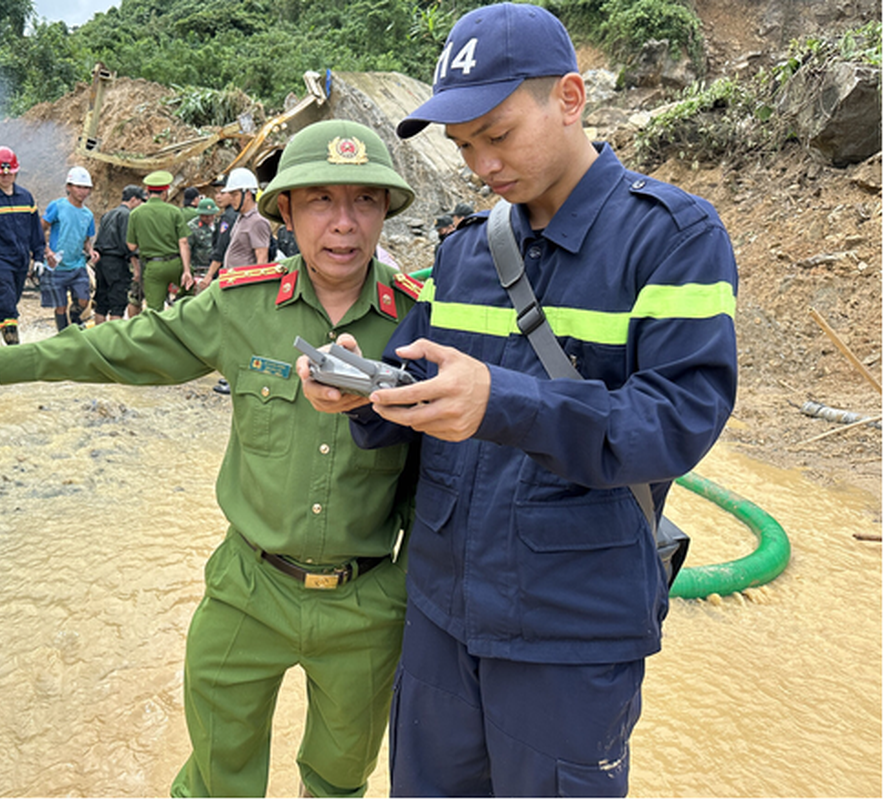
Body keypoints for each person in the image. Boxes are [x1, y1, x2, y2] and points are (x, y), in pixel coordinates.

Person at [299, 5, 739, 797]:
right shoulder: (467, 249)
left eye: (496, 135)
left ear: (569, 97)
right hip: (440, 614)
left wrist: (503, 402)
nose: (480, 164)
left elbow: (679, 420)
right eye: (464, 146)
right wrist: (363, 395)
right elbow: (421, 387)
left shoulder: (673, 238)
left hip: (570, 630)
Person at [0, 119, 424, 798]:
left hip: (368, 603)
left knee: (340, 783)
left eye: (363, 201)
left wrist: (407, 588)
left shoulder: (418, 325)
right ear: (285, 212)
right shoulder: (241, 305)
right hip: (249, 590)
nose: (343, 224)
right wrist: (0, 363)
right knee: (217, 782)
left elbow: (447, 471)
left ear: (385, 212)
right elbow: (122, 345)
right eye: (320, 202)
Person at [0, 146, 45, 347]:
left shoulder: (26, 197)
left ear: (16, 171)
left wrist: (38, 257)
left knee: (8, 302)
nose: (5, 177)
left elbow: (35, 231)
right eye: (0, 173)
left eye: (10, 173)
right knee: (7, 303)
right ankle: (14, 348)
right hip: (0, 260)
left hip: (21, 259)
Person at [125, 170, 193, 312]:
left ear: (148, 192)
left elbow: (131, 246)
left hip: (153, 266)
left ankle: (159, 332)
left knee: (154, 312)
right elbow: (184, 243)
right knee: (188, 298)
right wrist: (186, 270)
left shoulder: (136, 214)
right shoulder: (175, 212)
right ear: (165, 193)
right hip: (176, 264)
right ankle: (179, 318)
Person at [41, 166, 99, 331]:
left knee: (83, 300)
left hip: (77, 264)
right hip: (57, 265)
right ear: (69, 187)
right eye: (78, 187)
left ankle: (74, 320)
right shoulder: (57, 206)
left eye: (86, 188)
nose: (82, 191)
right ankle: (64, 334)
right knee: (60, 306)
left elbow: (86, 240)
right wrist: (47, 251)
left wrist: (90, 251)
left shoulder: (87, 215)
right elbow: (41, 229)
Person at [90, 185, 145, 326]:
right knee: (117, 304)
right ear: (133, 199)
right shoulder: (127, 215)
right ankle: (114, 341)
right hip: (116, 263)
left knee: (101, 302)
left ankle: (98, 339)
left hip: (101, 262)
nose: (141, 204)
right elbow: (128, 244)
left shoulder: (108, 214)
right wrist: (137, 269)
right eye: (140, 201)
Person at [220, 167, 272, 271]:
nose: (232, 199)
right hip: (234, 280)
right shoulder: (242, 217)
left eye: (235, 195)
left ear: (248, 194)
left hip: (245, 282)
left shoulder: (257, 221)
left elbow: (262, 260)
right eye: (231, 195)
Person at [198, 175, 238, 292]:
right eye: (216, 193)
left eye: (222, 192)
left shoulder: (228, 217)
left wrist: (209, 275)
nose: (218, 197)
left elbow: (221, 249)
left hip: (226, 271)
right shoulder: (237, 213)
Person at [185, 196, 219, 288]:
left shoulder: (219, 224)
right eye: (205, 215)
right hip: (199, 270)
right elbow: (187, 249)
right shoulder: (192, 227)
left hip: (216, 269)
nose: (209, 218)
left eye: (211, 215)